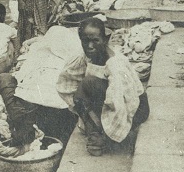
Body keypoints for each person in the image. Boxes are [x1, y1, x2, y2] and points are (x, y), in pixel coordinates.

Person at [56, 17, 150, 156]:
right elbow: (67, 81)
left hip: (134, 107)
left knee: (87, 83)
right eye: (85, 41)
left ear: (105, 40)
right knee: (81, 91)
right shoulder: (85, 57)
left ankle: (101, 136)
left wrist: (109, 134)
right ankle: (94, 130)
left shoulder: (114, 63)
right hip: (110, 98)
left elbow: (123, 101)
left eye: (95, 41)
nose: (90, 46)